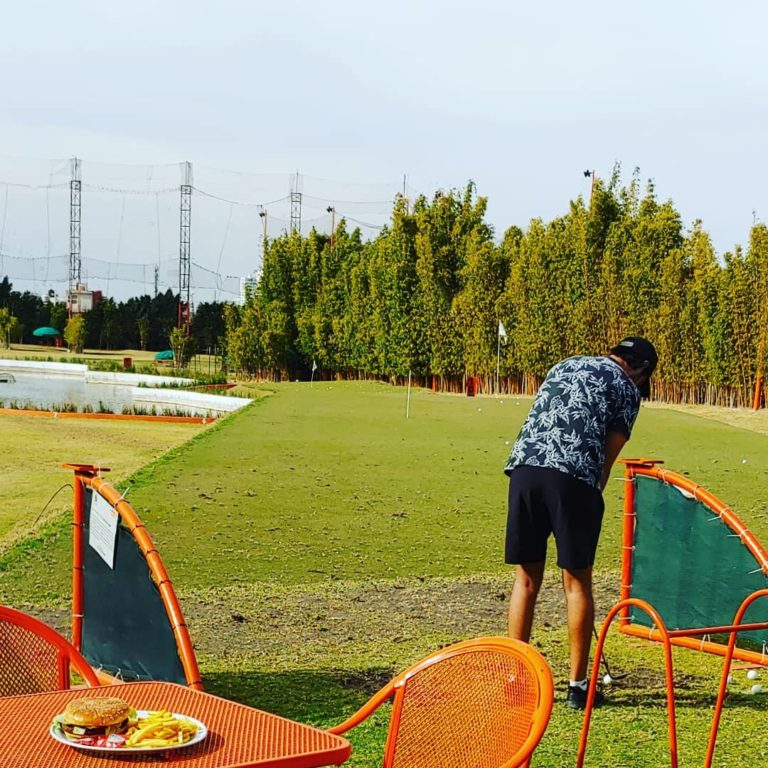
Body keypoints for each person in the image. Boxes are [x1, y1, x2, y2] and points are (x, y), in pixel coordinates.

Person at [503, 337, 658, 710]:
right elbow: (607, 457)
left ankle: (516, 680)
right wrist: (592, 495)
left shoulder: (566, 363)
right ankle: (578, 687)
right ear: (640, 370)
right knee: (576, 582)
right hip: (570, 478)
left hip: (524, 473)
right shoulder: (626, 388)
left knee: (525, 579)